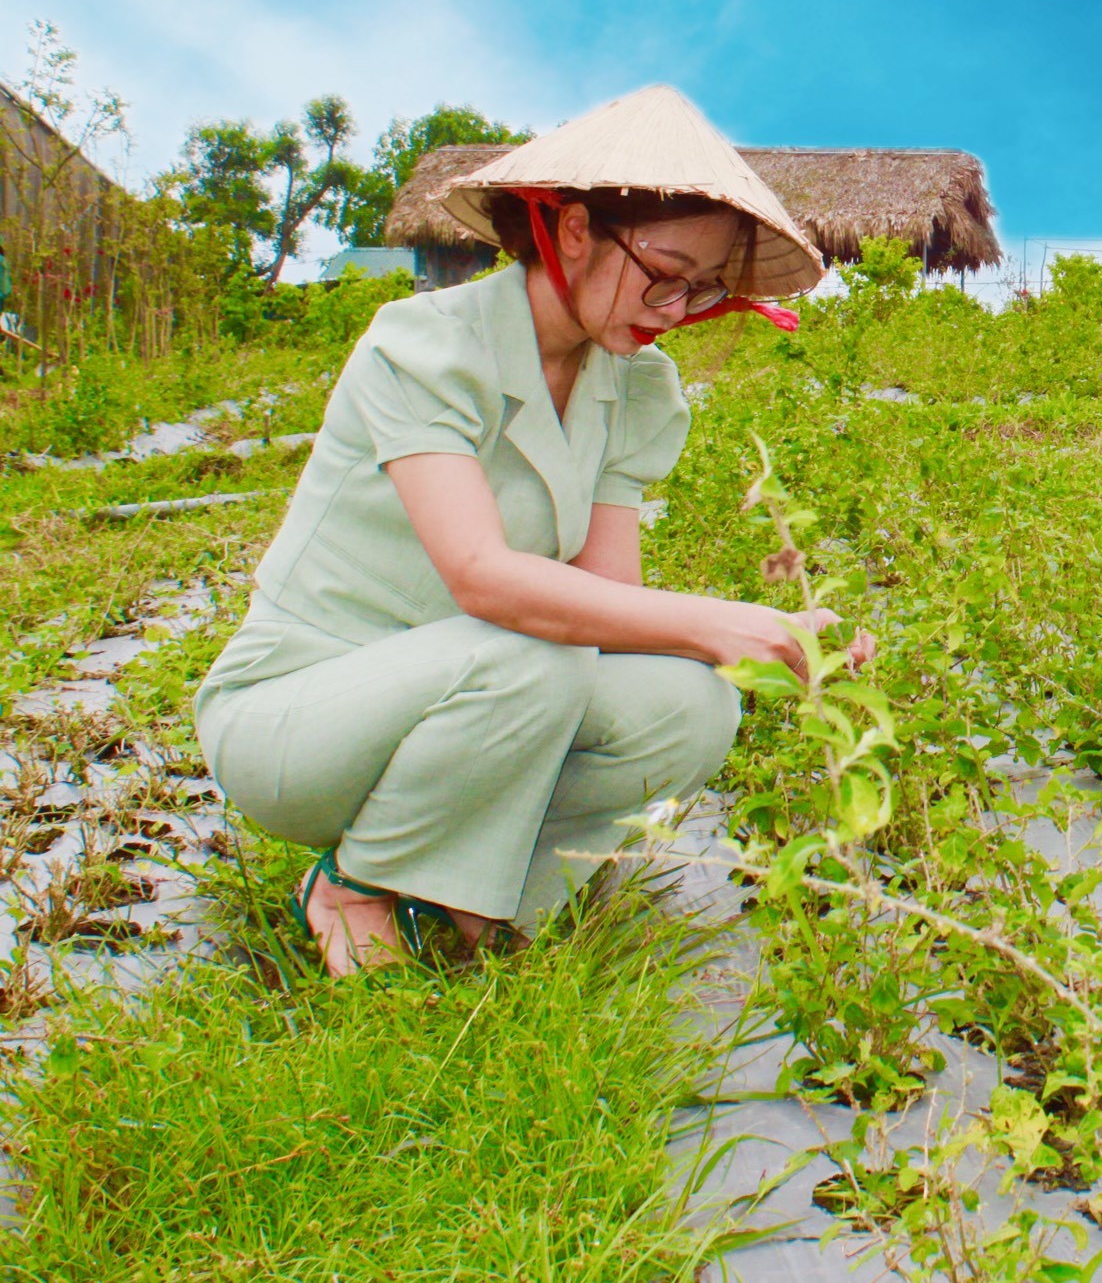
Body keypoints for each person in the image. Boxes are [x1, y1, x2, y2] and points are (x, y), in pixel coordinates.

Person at [194, 84, 871, 976]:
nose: (673, 311)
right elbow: (484, 578)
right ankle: (354, 884)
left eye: (703, 292)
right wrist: (719, 622)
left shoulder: (636, 387)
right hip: (304, 715)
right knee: (533, 644)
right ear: (576, 228)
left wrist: (760, 643)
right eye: (664, 273)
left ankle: (491, 892)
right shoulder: (424, 346)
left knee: (693, 706)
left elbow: (609, 607)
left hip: (481, 692)